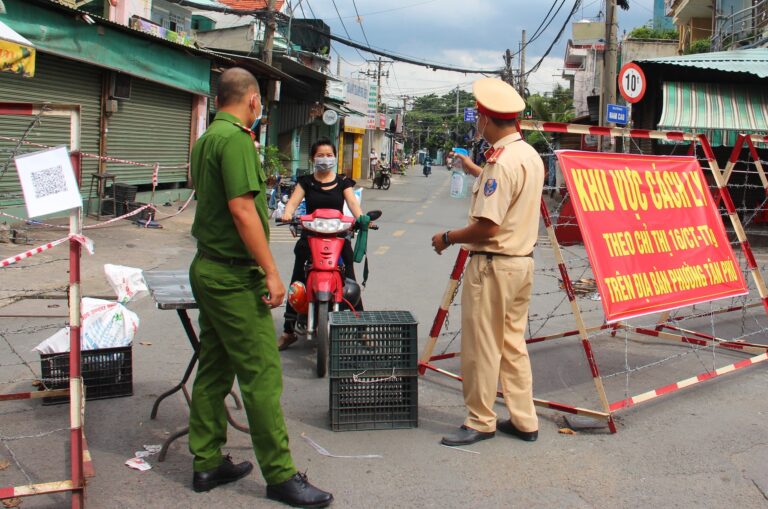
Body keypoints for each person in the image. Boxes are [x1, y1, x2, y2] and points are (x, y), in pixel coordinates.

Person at [188, 67, 333, 507]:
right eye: (260, 102)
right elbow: (243, 211)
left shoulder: (207, 138)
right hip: (232, 276)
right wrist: (271, 270)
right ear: (253, 100)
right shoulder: (234, 140)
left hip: (208, 267)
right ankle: (280, 474)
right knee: (262, 374)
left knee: (215, 366)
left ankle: (207, 459)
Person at [431, 78, 544, 447]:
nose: (477, 123)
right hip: (521, 264)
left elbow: (487, 225)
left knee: (481, 346)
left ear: (487, 119)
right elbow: (507, 193)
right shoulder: (528, 155)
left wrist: (447, 238)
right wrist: (474, 169)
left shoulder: (500, 161)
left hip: (493, 265)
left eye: (479, 117)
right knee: (512, 344)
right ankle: (525, 420)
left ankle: (480, 420)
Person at [278, 138, 365, 350]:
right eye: (320, 155)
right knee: (297, 280)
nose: (325, 159)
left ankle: (361, 330)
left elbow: (353, 203)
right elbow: (293, 202)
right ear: (312, 158)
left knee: (350, 280)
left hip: (338, 237)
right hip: (310, 237)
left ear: (335, 157)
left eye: (329, 155)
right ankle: (289, 331)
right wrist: (288, 214)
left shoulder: (343, 181)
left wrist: (361, 219)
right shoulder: (305, 182)